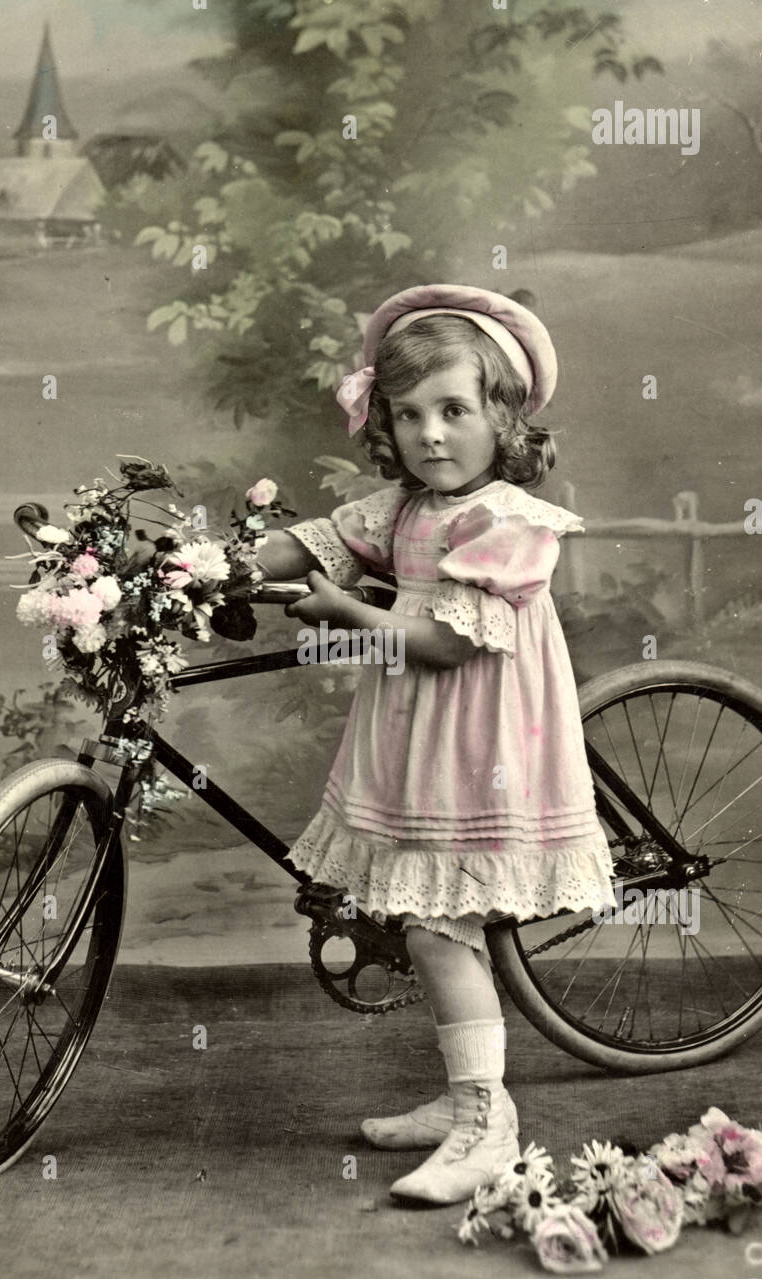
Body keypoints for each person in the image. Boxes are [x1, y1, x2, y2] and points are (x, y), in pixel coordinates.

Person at [256, 284, 615, 1204]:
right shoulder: (406, 507)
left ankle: (483, 1123)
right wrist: (209, 564)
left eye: (455, 411)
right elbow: (319, 541)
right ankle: (463, 1099)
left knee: (439, 927)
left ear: (502, 418)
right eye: (409, 414)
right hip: (417, 741)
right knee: (424, 927)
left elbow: (450, 639)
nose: (431, 435)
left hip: (482, 744)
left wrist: (346, 614)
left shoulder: (507, 522)